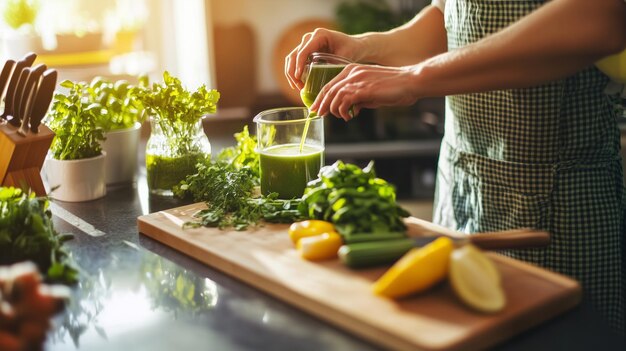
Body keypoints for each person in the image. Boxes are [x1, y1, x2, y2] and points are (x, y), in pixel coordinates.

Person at [285, 0, 626, 333]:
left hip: (555, 211)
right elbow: (452, 18)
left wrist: (414, 78)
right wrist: (363, 45)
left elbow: (599, 19)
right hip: (461, 189)